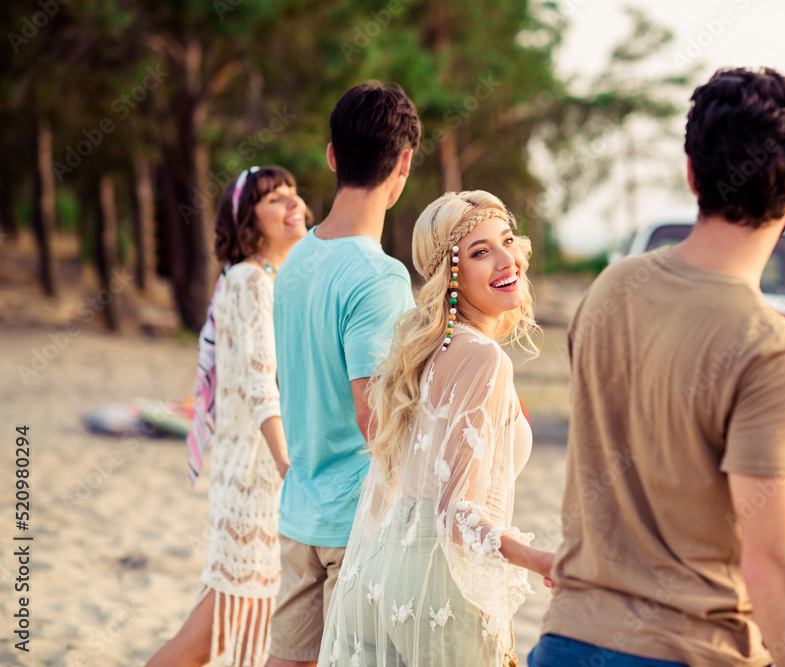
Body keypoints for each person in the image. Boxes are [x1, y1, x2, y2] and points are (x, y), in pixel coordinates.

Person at [530, 67, 785, 667]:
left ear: (692, 172)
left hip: (566, 640)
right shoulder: (772, 349)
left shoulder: (609, 289)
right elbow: (771, 567)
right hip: (689, 650)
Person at [316, 190, 553, 667]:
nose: (508, 260)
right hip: (440, 587)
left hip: (378, 577)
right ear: (451, 274)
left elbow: (394, 480)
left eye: (507, 240)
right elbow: (455, 512)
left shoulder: (419, 350)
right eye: (480, 251)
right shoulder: (484, 358)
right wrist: (542, 561)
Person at [264, 82, 421, 667]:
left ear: (333, 156)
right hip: (356, 521)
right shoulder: (378, 276)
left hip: (300, 511)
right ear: (404, 162)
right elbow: (372, 413)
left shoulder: (297, 258)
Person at [147, 165, 310, 667]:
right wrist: (289, 468)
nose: (292, 204)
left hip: (268, 473)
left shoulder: (278, 280)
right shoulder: (250, 280)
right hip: (256, 480)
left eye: (294, 192)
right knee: (213, 633)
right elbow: (263, 387)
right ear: (248, 222)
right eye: (274, 199)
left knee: (269, 630)